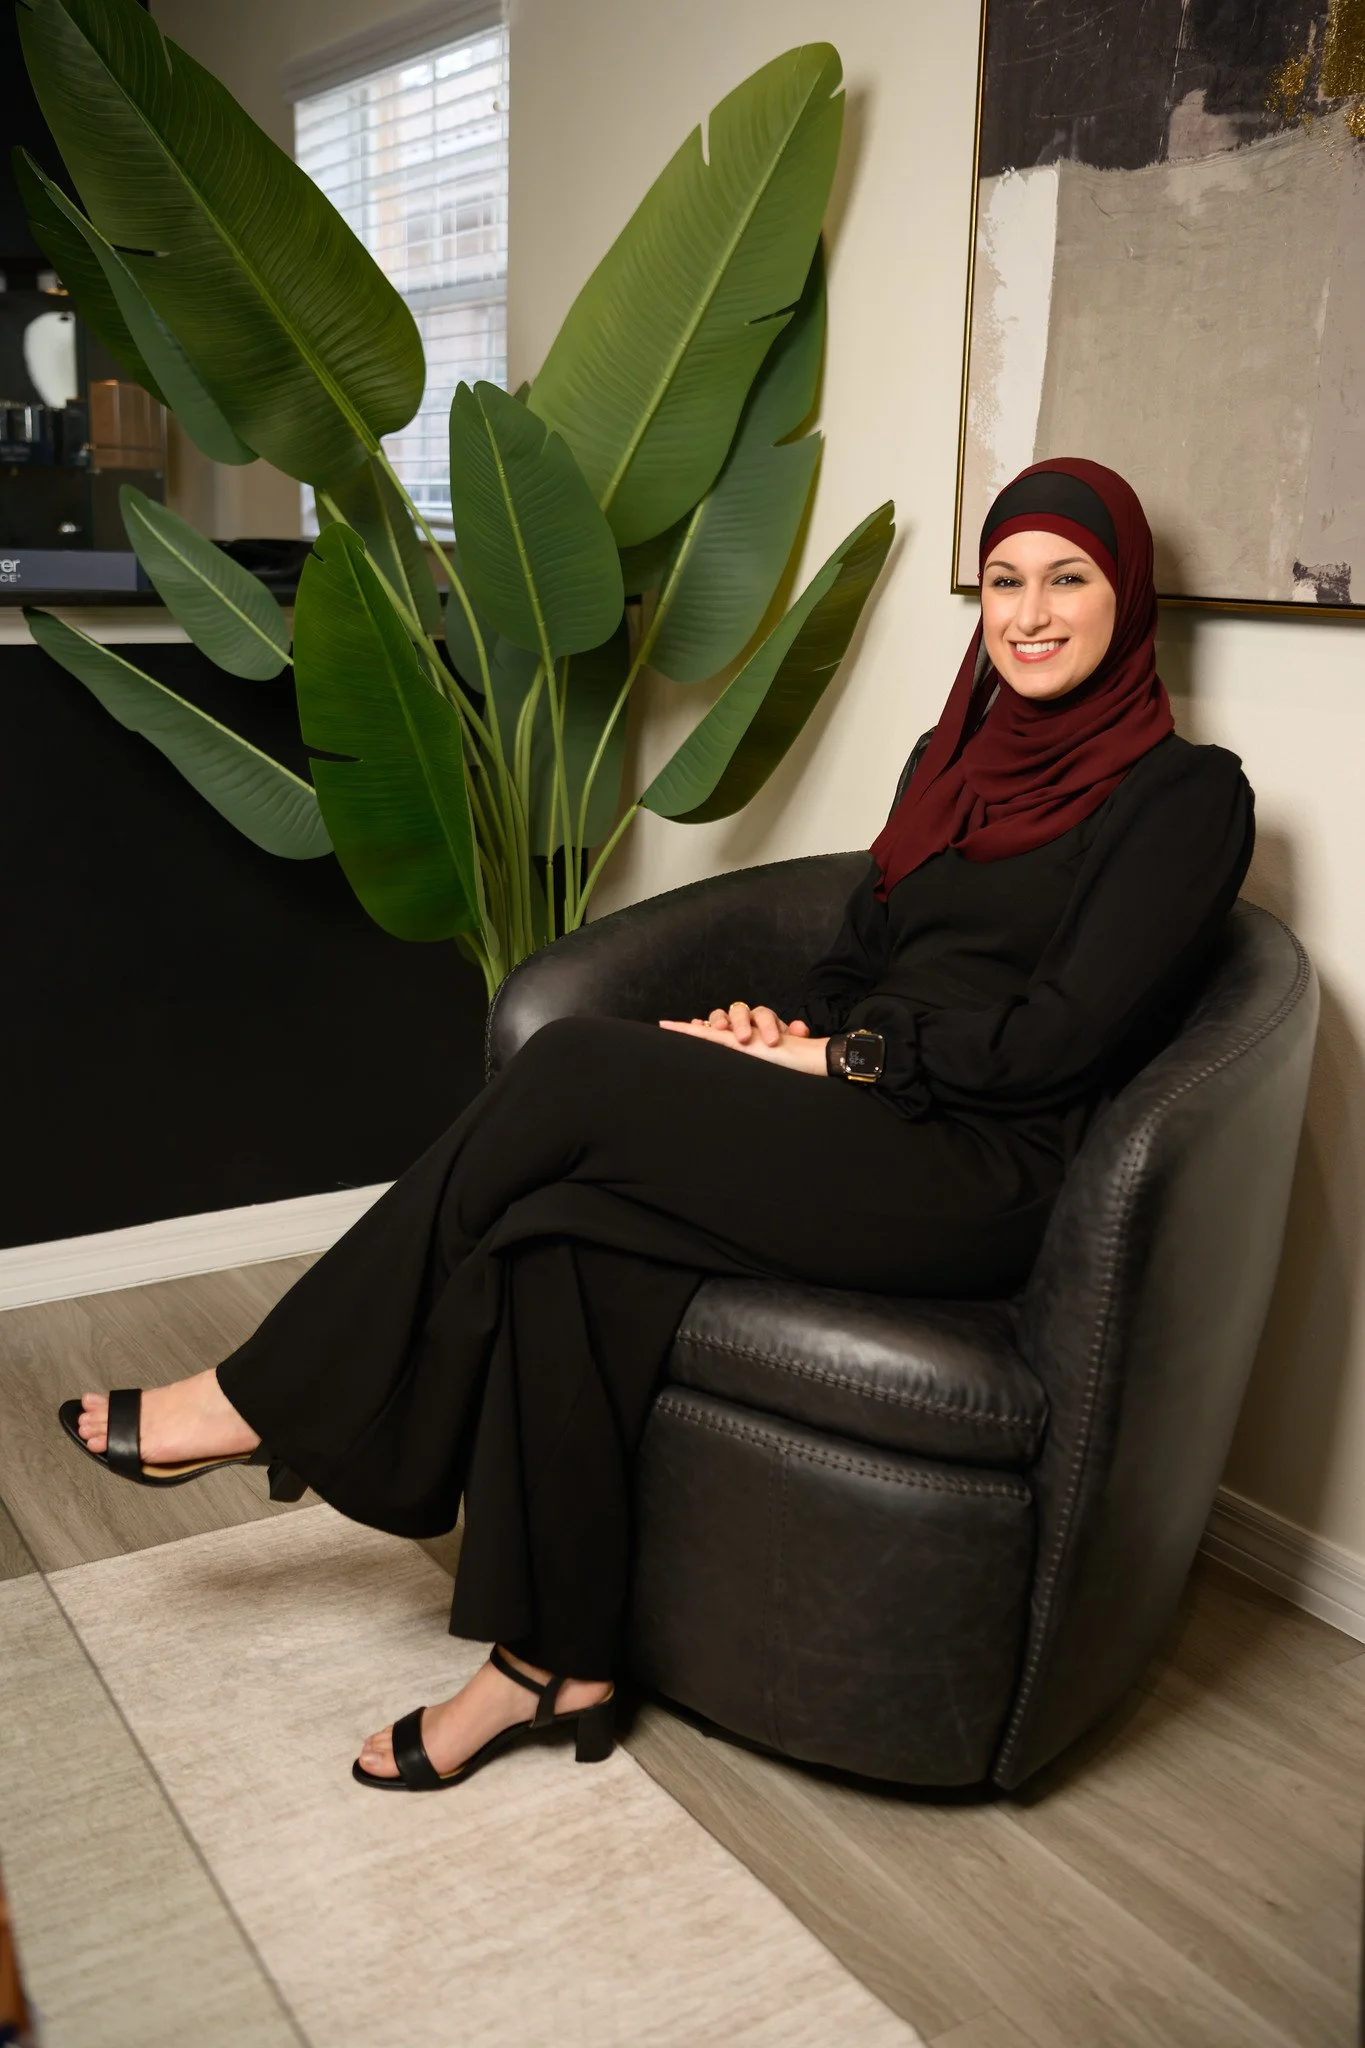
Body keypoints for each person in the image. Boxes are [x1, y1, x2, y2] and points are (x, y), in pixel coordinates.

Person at [59, 457, 1254, 1793]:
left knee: (571, 1070)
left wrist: (843, 1056)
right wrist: (790, 1037)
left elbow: (1060, 1041)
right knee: (563, 1236)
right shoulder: (949, 758)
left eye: (1069, 580)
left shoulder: (1186, 797)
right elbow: (862, 955)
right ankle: (547, 1663)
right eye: (1008, 582)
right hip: (870, 1114)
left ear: (1125, 594)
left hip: (986, 1169)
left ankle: (265, 1395)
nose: (1030, 614)